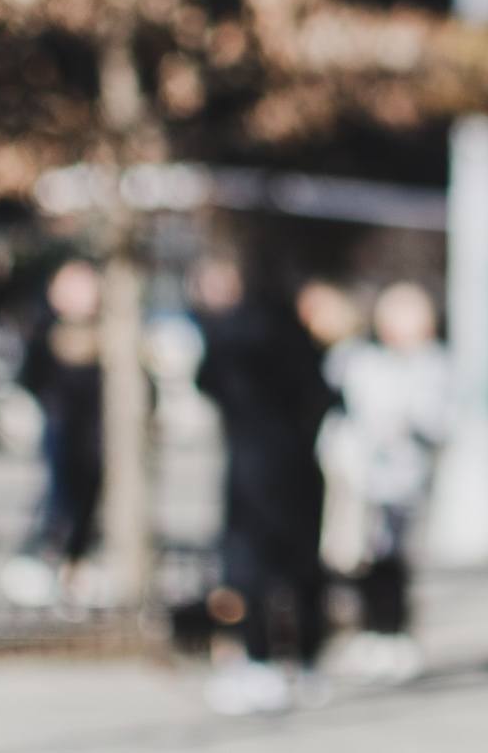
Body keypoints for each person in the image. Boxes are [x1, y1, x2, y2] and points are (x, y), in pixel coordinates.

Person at [194, 255, 338, 715]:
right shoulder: (295, 334)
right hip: (297, 462)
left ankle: (259, 661)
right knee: (301, 567)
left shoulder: (230, 334)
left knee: (250, 568)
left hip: (250, 463)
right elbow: (321, 395)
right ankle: (308, 659)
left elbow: (206, 381)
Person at [318, 280, 449, 685]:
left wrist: (407, 421)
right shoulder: (362, 360)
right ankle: (371, 632)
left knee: (394, 559)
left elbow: (439, 419)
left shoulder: (434, 364)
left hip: (404, 478)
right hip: (361, 475)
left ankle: (396, 634)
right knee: (361, 557)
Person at [7, 260, 105, 603]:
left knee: (89, 501)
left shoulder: (110, 328)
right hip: (62, 427)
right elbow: (30, 375)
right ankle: (41, 557)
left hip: (97, 433)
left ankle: (75, 563)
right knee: (56, 496)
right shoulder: (45, 326)